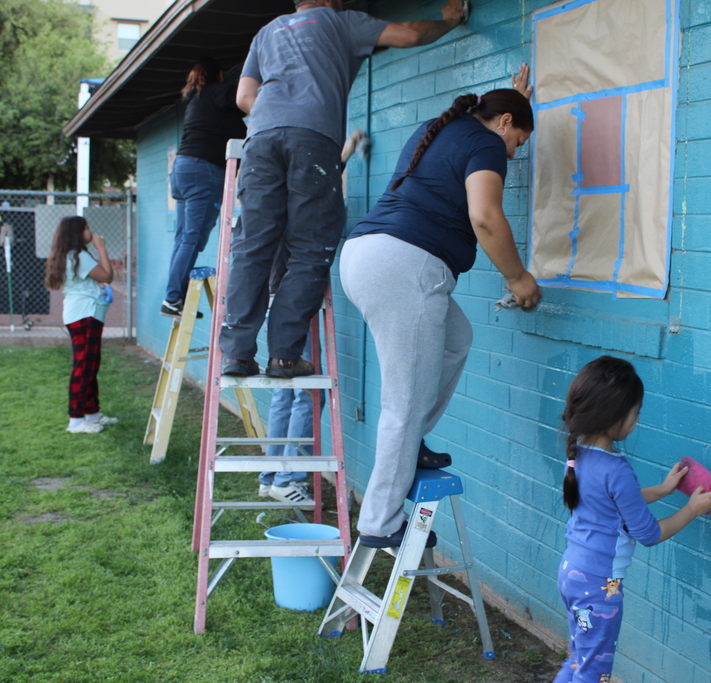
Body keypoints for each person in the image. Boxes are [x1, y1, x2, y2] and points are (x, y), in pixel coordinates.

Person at [338, 77, 542, 548]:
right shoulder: (487, 142)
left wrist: (516, 105)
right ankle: (380, 521)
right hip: (404, 265)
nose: (512, 153)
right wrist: (519, 279)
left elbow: (485, 140)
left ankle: (410, 448)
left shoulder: (443, 127)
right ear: (505, 123)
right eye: (517, 140)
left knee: (456, 337)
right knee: (403, 403)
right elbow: (486, 217)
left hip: (367, 255)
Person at [220, 0, 467, 379]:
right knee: (309, 246)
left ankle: (237, 354)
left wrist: (278, 109)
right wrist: (449, 22)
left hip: (260, 139)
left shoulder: (267, 31)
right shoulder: (339, 22)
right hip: (311, 139)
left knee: (253, 245)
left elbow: (244, 98)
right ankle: (284, 356)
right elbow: (411, 33)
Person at [554, 356, 711, 683]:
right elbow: (648, 533)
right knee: (594, 672)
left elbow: (612, 505)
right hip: (601, 586)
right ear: (614, 415)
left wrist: (662, 489)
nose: (636, 420)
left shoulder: (579, 453)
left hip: (572, 575)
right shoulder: (616, 468)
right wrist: (692, 509)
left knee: (579, 660)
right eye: (636, 413)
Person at [258, 130, 365, 507]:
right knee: (308, 392)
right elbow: (316, 189)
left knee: (286, 392)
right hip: (295, 301)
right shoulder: (296, 205)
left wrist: (346, 153)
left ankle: (272, 475)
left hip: (277, 298)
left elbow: (315, 184)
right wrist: (344, 155)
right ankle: (287, 477)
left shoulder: (271, 200)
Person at [161, 56, 247, 318]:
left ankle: (177, 295)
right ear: (219, 75)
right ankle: (173, 297)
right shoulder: (219, 92)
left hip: (183, 168)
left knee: (183, 238)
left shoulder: (197, 100)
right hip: (203, 172)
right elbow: (247, 96)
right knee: (192, 238)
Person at [44, 216, 118, 434]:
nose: (91, 230)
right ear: (78, 233)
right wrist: (102, 248)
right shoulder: (79, 256)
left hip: (82, 314)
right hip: (84, 315)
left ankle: (92, 413)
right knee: (83, 366)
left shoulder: (69, 255)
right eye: (87, 228)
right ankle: (75, 420)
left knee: (90, 364)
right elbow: (108, 275)